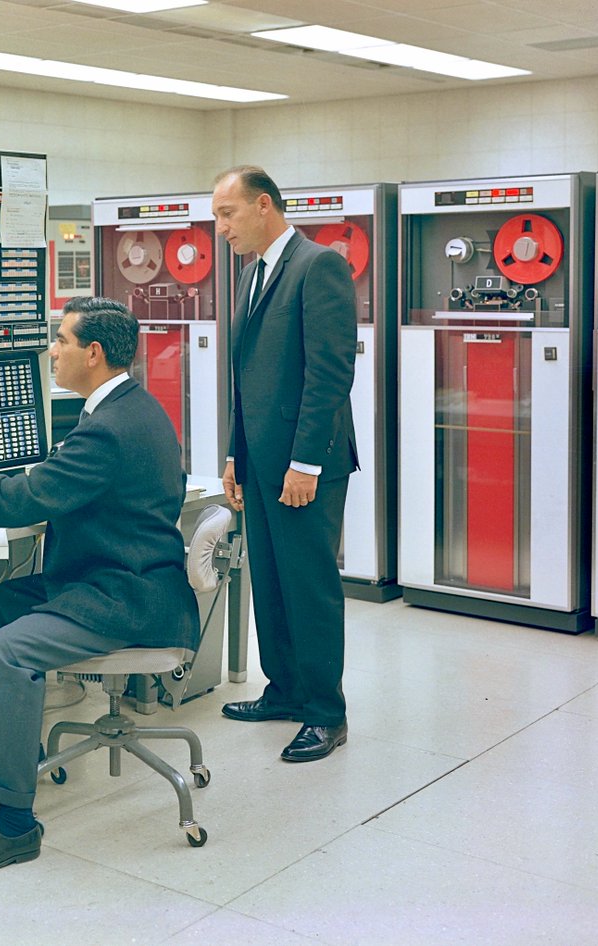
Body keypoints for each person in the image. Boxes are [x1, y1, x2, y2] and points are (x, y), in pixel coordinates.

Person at [0, 296, 198, 874]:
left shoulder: (108, 429)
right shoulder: (131, 409)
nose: (53, 350)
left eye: (62, 341)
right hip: (123, 576)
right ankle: (10, 741)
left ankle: (14, 823)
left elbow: (23, 497)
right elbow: (52, 486)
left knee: (12, 648)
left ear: (93, 354)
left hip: (128, 596)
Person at [211, 165, 358, 763]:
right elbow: (247, 377)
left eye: (228, 214)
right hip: (260, 460)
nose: (221, 228)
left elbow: (328, 375)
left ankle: (327, 713)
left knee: (308, 586)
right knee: (268, 582)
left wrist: (305, 464)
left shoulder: (318, 266)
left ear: (264, 206)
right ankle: (285, 690)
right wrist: (234, 454)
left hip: (305, 465)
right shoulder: (252, 274)